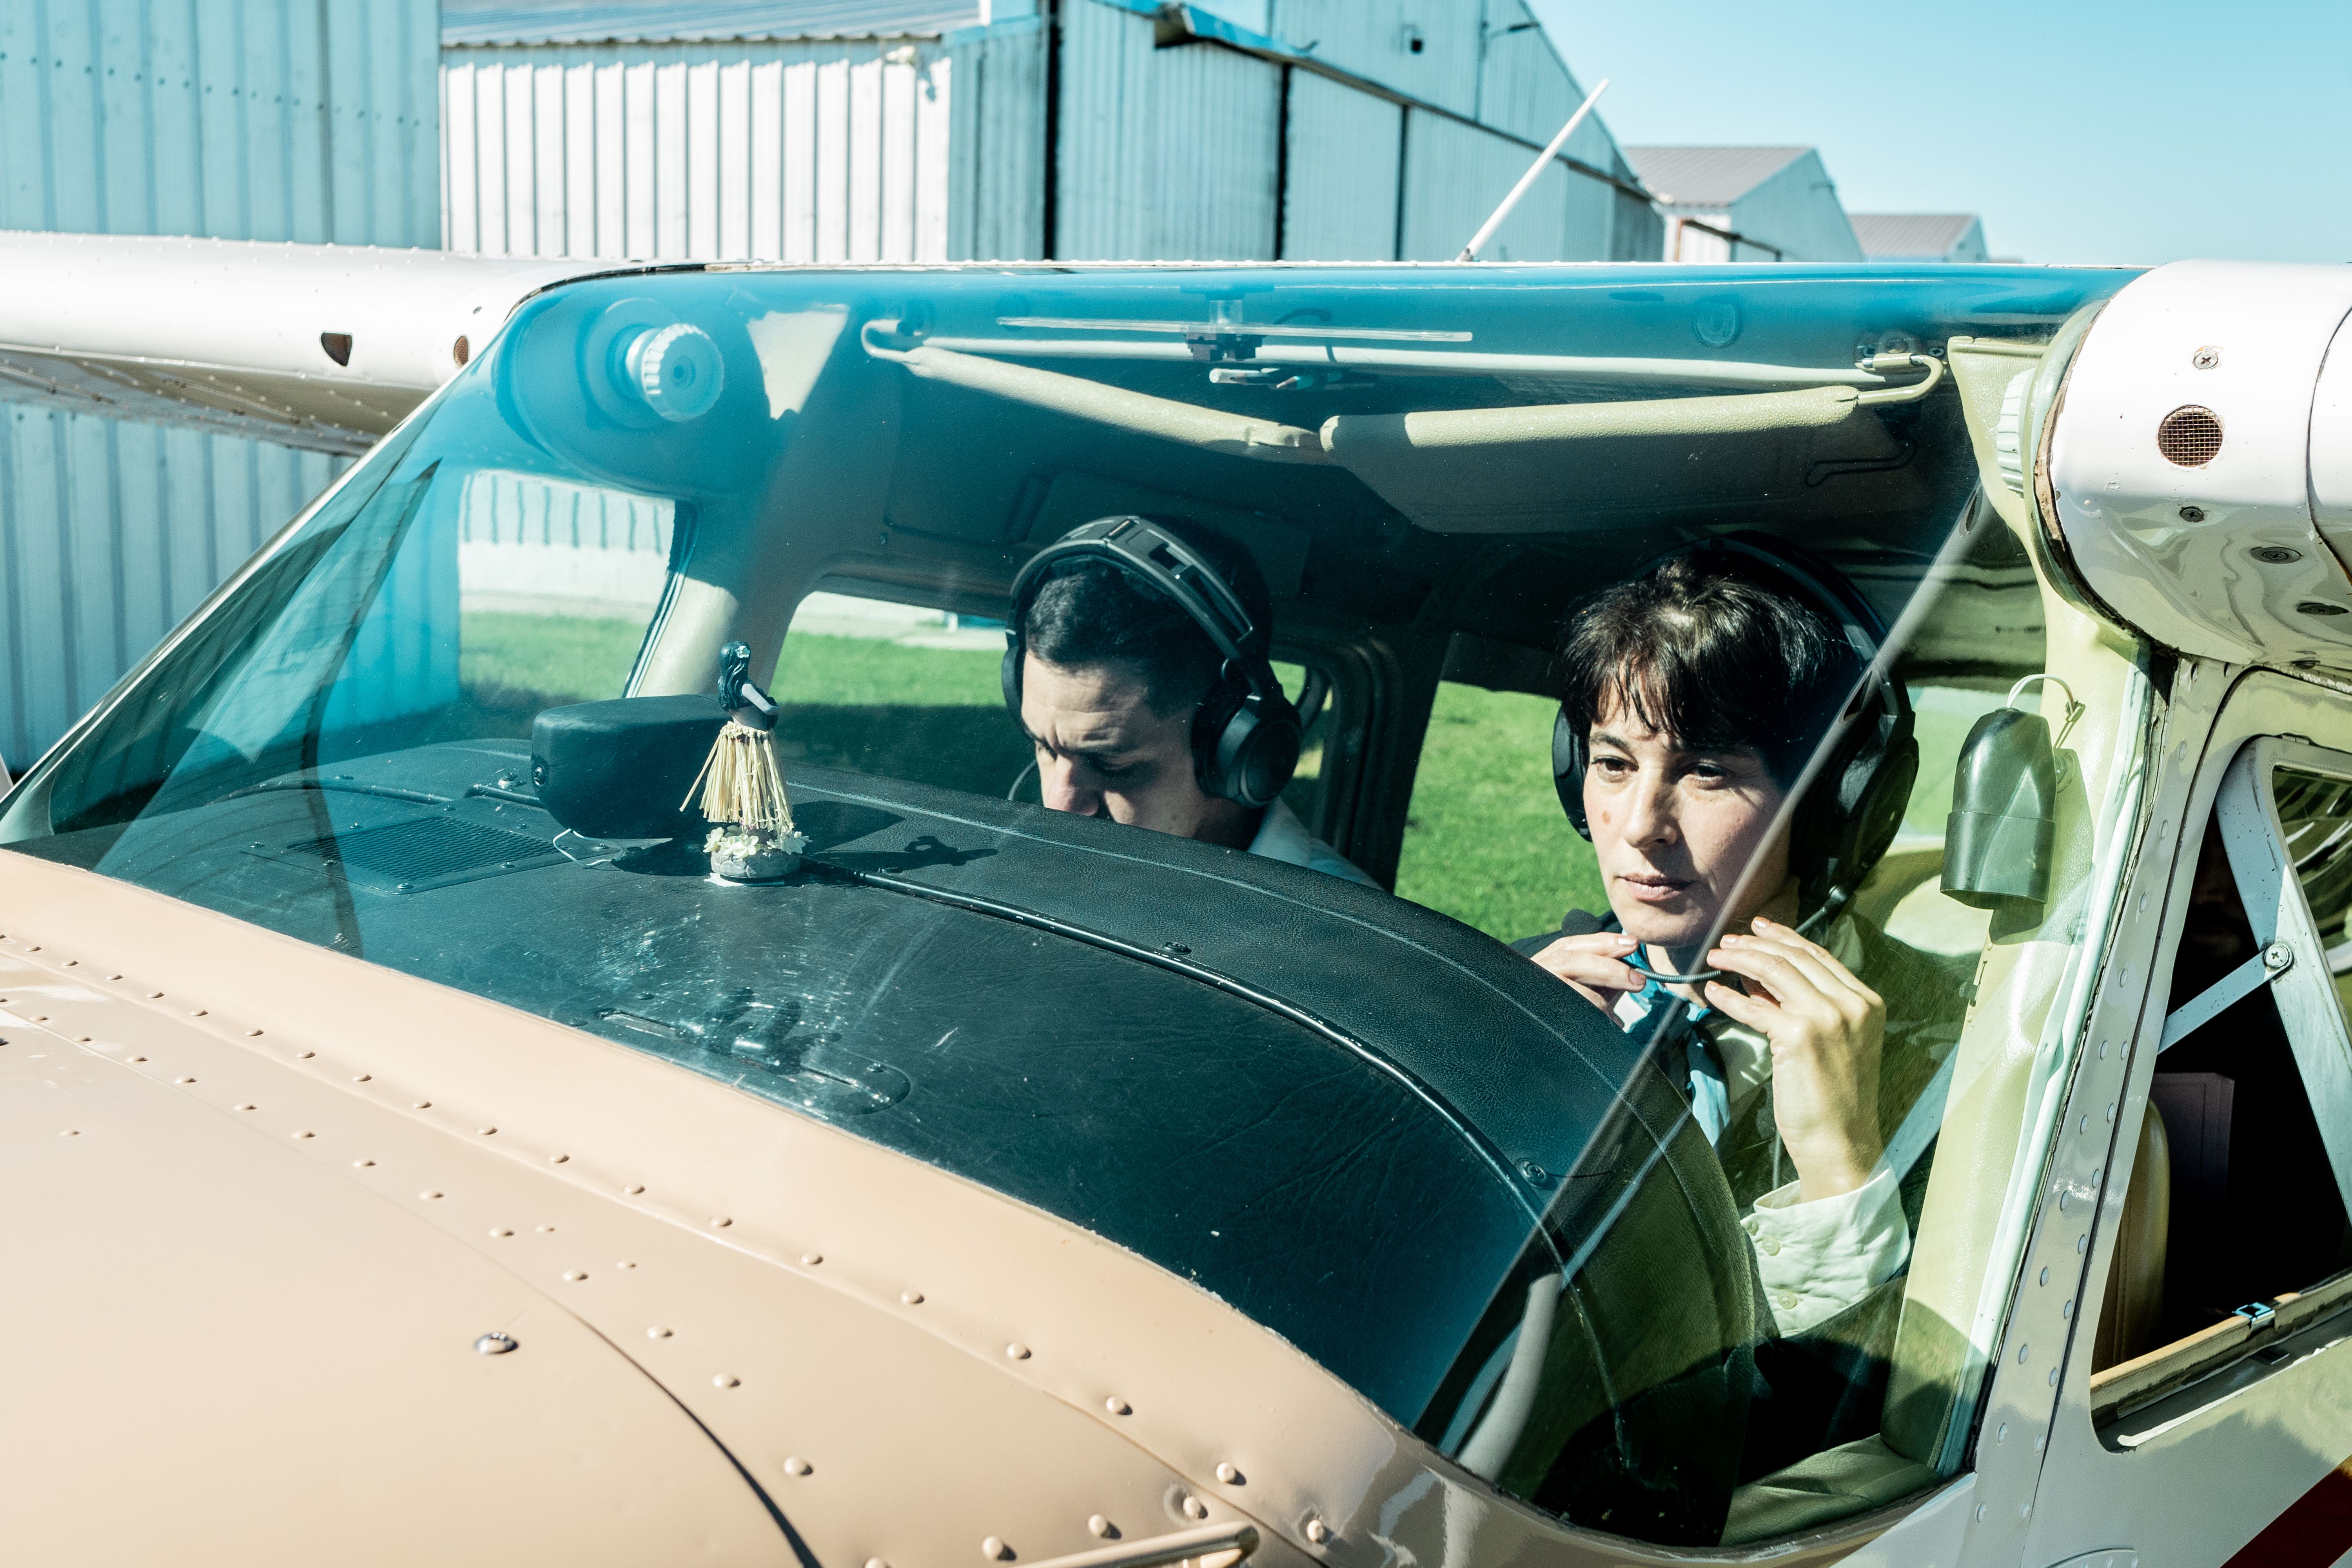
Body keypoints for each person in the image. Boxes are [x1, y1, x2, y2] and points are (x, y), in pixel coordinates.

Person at [1521, 544, 1958, 1337]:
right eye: (1613, 764)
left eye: (1709, 771)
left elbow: (1896, 1417)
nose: (1641, 826)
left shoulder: (1957, 1054)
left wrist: (1840, 1167)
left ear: (1835, 802)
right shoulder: (1511, 994)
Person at [1004, 516, 1375, 887]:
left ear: (1233, 752)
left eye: (1109, 763)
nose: (1059, 805)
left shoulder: (1347, 940)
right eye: (1045, 748)